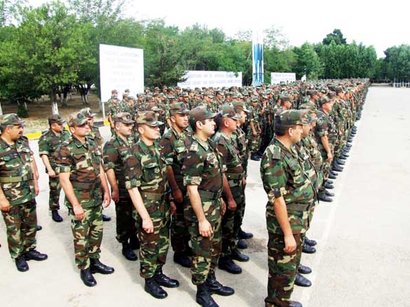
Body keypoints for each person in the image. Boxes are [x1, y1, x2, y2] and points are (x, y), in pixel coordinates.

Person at [260, 110, 315, 307]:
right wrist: (287, 234)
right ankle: (276, 303)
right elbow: (277, 199)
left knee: (289, 266)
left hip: (297, 219)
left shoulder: (289, 148)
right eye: (300, 127)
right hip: (287, 222)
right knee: (281, 268)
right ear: (290, 130)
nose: (303, 131)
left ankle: (281, 300)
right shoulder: (274, 156)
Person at [182, 106, 234, 307]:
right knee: (202, 249)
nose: (214, 123)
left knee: (214, 246)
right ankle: (202, 291)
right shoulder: (194, 150)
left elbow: (213, 177)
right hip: (201, 207)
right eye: (210, 120)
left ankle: (211, 281)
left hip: (212, 202)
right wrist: (202, 219)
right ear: (199, 124)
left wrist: (219, 197)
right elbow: (192, 189)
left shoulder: (209, 144)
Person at [124, 111, 179, 299]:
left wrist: (170, 200)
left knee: (163, 243)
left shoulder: (158, 148)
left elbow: (164, 177)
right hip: (148, 208)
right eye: (153, 126)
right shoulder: (133, 153)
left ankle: (159, 273)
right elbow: (133, 189)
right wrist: (145, 217)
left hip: (162, 205)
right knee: (149, 245)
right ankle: (149, 280)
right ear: (140, 129)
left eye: (158, 126)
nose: (158, 129)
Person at [56, 112, 114, 287]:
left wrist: (106, 190)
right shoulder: (65, 148)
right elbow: (64, 179)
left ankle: (95, 261)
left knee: (97, 232)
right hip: (81, 199)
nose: (87, 127)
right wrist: (75, 205)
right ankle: (84, 268)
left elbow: (100, 170)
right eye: (82, 125)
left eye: (87, 125)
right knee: (81, 236)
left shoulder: (92, 143)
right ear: (72, 129)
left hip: (96, 197)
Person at [0, 113, 48, 272]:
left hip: (27, 191)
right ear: (8, 128)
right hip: (10, 196)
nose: (22, 129)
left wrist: (35, 180)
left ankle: (30, 249)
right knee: (14, 228)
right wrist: (1, 199)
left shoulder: (22, 141)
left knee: (30, 223)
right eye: (18, 127)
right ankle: (18, 255)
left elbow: (30, 159)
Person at [212, 104, 248, 275]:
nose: (238, 121)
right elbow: (222, 172)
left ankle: (232, 249)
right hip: (229, 190)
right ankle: (224, 257)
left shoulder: (230, 138)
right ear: (226, 122)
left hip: (237, 186)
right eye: (234, 119)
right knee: (227, 224)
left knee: (234, 222)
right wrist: (229, 197)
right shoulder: (219, 141)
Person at [159, 102, 193, 268]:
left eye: (187, 115)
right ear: (172, 118)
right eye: (182, 116)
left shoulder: (187, 134)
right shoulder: (167, 138)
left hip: (189, 186)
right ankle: (179, 252)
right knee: (179, 220)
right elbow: (168, 167)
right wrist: (175, 190)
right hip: (178, 185)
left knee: (188, 218)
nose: (186, 118)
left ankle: (186, 247)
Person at [103, 112, 139, 261]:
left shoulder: (132, 140)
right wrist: (115, 189)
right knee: (124, 216)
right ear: (117, 126)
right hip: (122, 186)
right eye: (127, 124)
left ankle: (134, 237)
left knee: (135, 214)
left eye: (131, 124)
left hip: (134, 185)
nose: (130, 126)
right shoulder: (112, 144)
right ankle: (125, 244)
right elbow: (109, 168)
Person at [79, 107, 111, 222]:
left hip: (97, 160)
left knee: (100, 187)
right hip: (86, 165)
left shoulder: (96, 129)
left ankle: (99, 210)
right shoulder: (80, 132)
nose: (91, 121)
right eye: (89, 118)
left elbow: (100, 145)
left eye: (92, 118)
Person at [38, 114, 71, 222]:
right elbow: (44, 155)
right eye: (60, 124)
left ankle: (71, 207)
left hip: (68, 166)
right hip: (55, 168)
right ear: (53, 125)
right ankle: (54, 209)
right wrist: (50, 169)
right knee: (55, 190)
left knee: (71, 188)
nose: (62, 126)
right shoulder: (45, 137)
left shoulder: (66, 133)